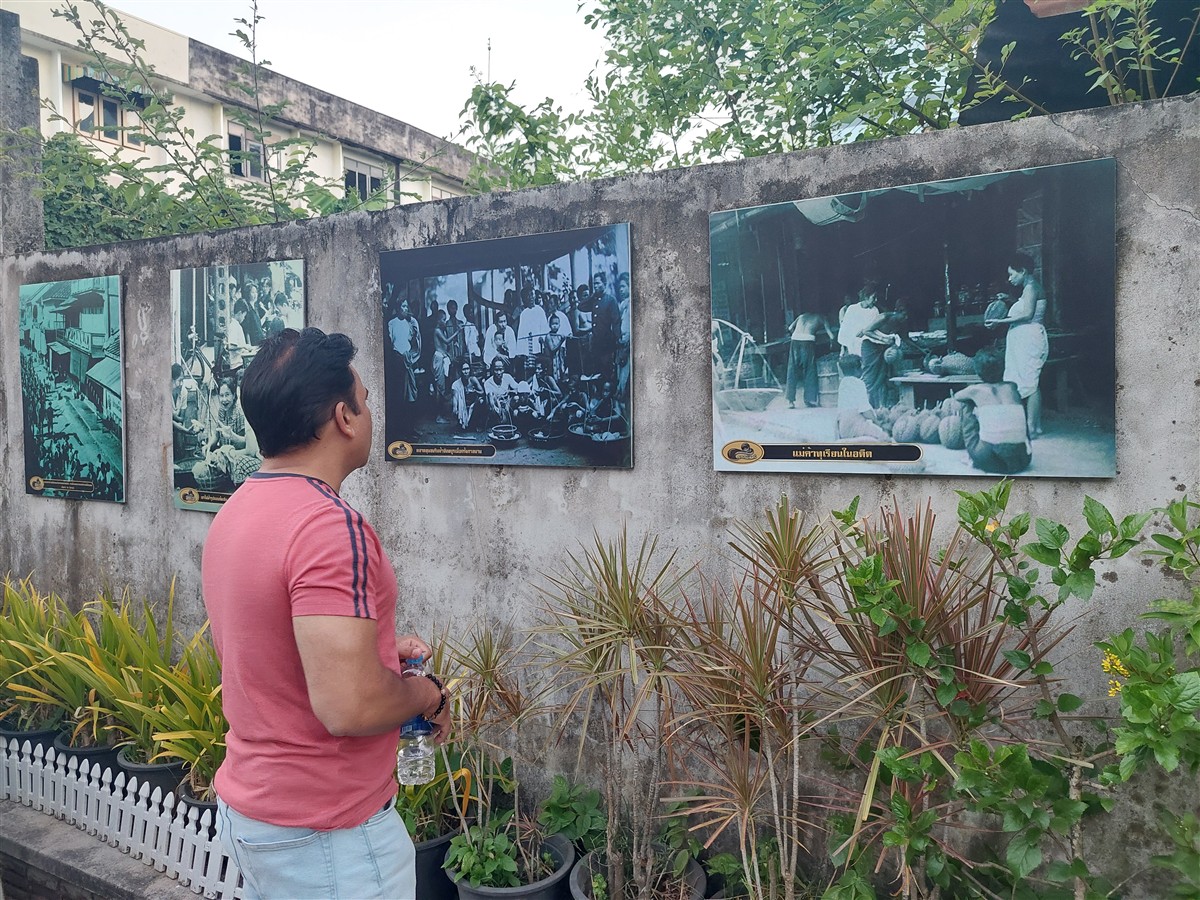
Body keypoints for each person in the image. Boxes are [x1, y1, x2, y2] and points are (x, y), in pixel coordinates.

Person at [203, 327, 451, 900]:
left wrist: (380, 656)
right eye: (364, 399)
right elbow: (350, 704)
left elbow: (279, 655)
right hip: (329, 837)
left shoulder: (238, 511)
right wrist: (428, 696)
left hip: (259, 815)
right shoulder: (330, 528)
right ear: (344, 417)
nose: (368, 413)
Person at [989, 252, 1049, 438]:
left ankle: (1032, 427)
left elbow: (1027, 315)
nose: (1009, 278)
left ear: (1022, 271)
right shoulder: (1029, 288)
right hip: (1024, 339)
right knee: (1028, 380)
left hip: (1029, 337)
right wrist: (1009, 300)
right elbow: (1025, 307)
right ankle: (1035, 426)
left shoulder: (1031, 287)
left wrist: (999, 322)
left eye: (1012, 274)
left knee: (1030, 382)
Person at [953, 347, 1032, 474]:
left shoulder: (974, 390)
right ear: (1003, 369)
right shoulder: (1012, 387)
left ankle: (972, 456)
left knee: (966, 403)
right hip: (1022, 459)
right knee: (1015, 404)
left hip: (990, 461)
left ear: (978, 373)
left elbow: (957, 396)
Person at [784, 311, 833, 408]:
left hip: (795, 339)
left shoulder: (801, 316)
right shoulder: (822, 317)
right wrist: (831, 342)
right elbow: (831, 335)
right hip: (808, 341)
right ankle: (809, 400)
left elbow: (790, 328)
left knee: (792, 369)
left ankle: (790, 401)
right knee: (809, 370)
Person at [450, 360, 485, 430]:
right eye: (464, 369)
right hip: (463, 407)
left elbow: (482, 392)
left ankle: (477, 424)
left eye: (467, 369)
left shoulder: (473, 380)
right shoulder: (456, 384)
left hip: (473, 406)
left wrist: (474, 391)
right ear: (460, 371)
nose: (466, 372)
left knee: (481, 402)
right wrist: (455, 409)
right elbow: (455, 398)